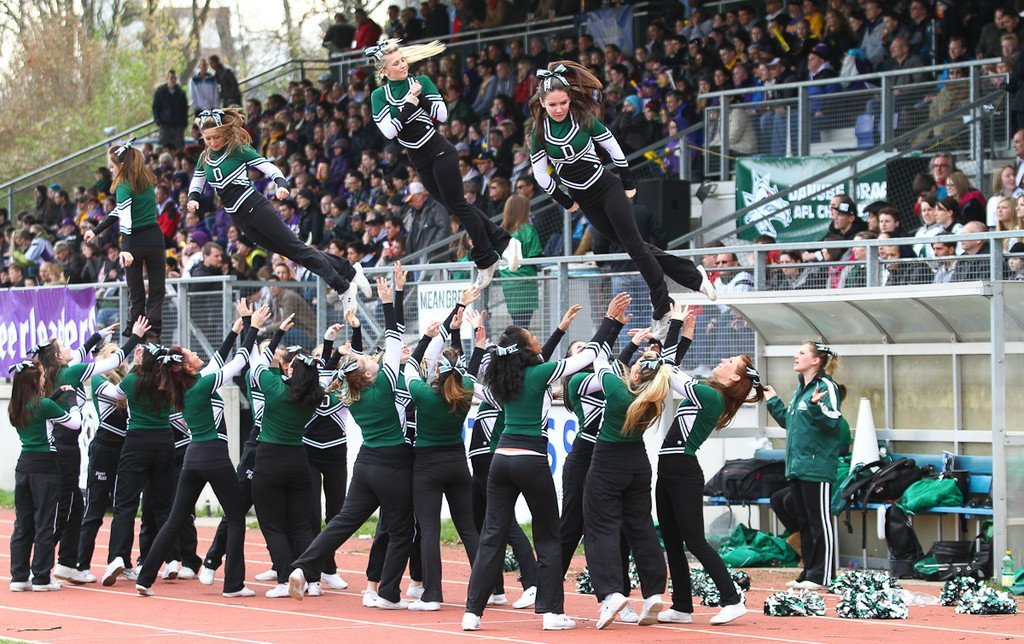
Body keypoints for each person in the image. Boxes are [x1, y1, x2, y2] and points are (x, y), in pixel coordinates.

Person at [462, 292, 632, 632]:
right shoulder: (540, 374)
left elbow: (470, 379)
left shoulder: (500, 378)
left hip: (501, 461)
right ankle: (552, 613)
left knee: (492, 535)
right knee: (549, 536)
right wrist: (610, 322)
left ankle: (472, 613)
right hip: (531, 460)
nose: (538, 340)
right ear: (526, 350)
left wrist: (476, 343)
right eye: (533, 338)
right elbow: (589, 356)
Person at [528, 61, 715, 340]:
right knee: (636, 247)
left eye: (563, 102)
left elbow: (612, 146)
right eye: (552, 104)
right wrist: (564, 200)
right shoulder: (539, 133)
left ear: (570, 99)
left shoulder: (583, 119)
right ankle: (693, 276)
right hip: (584, 199)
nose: (559, 109)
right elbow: (541, 175)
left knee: (636, 248)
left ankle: (662, 308)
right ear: (542, 102)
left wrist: (627, 181)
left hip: (607, 188)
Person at [287, 265, 413, 608]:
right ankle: (387, 594)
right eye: (367, 361)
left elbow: (363, 358)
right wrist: (391, 299)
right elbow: (394, 338)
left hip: (366, 463)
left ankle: (302, 566)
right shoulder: (384, 383)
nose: (370, 360)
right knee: (401, 530)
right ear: (368, 375)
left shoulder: (350, 393)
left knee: (342, 522)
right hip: (392, 463)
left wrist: (351, 340)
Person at [135, 304, 271, 598]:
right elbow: (239, 362)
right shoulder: (203, 384)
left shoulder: (186, 386)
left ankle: (145, 578)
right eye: (191, 353)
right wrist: (253, 326)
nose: (197, 353)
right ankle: (233, 585)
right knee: (236, 517)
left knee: (175, 518)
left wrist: (235, 330)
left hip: (192, 458)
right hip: (214, 456)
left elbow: (218, 361)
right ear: (186, 367)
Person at [366, 39, 521, 289]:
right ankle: (504, 242)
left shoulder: (421, 82)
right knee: (455, 206)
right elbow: (390, 131)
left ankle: (486, 257)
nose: (403, 65)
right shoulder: (379, 96)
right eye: (396, 63)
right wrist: (409, 105)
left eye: (403, 60)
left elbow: (442, 115)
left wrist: (420, 99)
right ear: (384, 71)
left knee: (458, 204)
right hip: (419, 160)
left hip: (440, 151)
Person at [187, 108, 370, 310]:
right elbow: (198, 180)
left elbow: (268, 166)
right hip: (240, 218)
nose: (213, 142)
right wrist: (193, 198)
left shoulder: (237, 150)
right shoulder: (205, 157)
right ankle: (350, 271)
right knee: (296, 253)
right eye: (208, 138)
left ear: (224, 132)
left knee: (298, 250)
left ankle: (343, 287)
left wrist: (282, 184)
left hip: (255, 207)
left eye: (216, 137)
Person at [31, 320, 147, 585]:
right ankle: (38, 569)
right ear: (58, 356)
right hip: (64, 446)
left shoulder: (57, 371)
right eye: (64, 345)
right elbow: (111, 362)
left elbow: (78, 354)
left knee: (75, 506)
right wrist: (135, 338)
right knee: (63, 508)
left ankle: (67, 564)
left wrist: (97, 336)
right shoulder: (71, 372)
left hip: (63, 444)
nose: (70, 347)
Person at [581, 314, 674, 630]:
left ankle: (611, 593)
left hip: (608, 462)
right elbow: (652, 370)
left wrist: (612, 325)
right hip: (638, 463)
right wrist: (647, 349)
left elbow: (599, 359)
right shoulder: (655, 396)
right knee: (641, 527)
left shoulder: (619, 392)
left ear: (635, 372)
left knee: (601, 528)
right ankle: (653, 593)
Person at [401, 298, 481, 611]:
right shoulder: (467, 389)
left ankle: (432, 595)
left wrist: (427, 337)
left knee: (429, 531)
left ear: (436, 370)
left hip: (427, 467)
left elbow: (409, 366)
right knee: (469, 529)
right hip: (458, 464)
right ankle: (487, 589)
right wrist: (461, 335)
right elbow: (466, 368)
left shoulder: (423, 393)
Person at [250, 313, 328, 599]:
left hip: (270, 459)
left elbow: (256, 361)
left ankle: (284, 579)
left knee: (272, 525)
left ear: (292, 372)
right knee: (301, 524)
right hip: (298, 459)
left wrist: (275, 333)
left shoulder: (274, 388)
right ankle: (313, 579)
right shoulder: (313, 396)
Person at [764, 341, 844, 590]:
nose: (795, 356)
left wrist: (817, 407)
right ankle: (809, 571)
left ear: (816, 360)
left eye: (801, 352)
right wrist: (772, 401)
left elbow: (834, 420)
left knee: (820, 521)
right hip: (798, 467)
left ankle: (823, 575)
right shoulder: (801, 389)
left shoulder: (826, 386)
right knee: (805, 522)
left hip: (817, 467)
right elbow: (791, 422)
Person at [7, 360, 84, 592]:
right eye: (41, 376)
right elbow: (75, 423)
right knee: (45, 523)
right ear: (34, 381)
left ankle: (19, 577)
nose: (44, 379)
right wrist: (72, 400)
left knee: (23, 524)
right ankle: (41, 577)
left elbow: (41, 409)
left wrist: (57, 393)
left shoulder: (16, 406)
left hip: (24, 466)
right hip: (45, 468)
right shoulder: (44, 405)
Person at [86, 139, 167, 337]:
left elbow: (125, 219)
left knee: (136, 289)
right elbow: (119, 211)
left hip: (135, 240)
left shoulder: (123, 186)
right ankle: (154, 328)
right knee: (157, 288)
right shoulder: (146, 181)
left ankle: (135, 328)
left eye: (112, 166)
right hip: (155, 238)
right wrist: (96, 230)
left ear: (122, 165)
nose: (111, 170)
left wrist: (126, 248)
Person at [497, 195, 542, 328]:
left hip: (508, 283)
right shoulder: (527, 230)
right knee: (522, 328)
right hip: (525, 283)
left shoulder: (500, 232)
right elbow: (535, 256)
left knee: (519, 325)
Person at [152, 70, 189, 150]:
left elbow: (184, 109)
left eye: (174, 78)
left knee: (179, 147)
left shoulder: (181, 93)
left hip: (178, 125)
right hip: (165, 124)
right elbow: (155, 107)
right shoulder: (160, 92)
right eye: (171, 78)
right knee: (163, 146)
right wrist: (158, 121)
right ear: (167, 78)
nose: (172, 80)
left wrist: (184, 123)